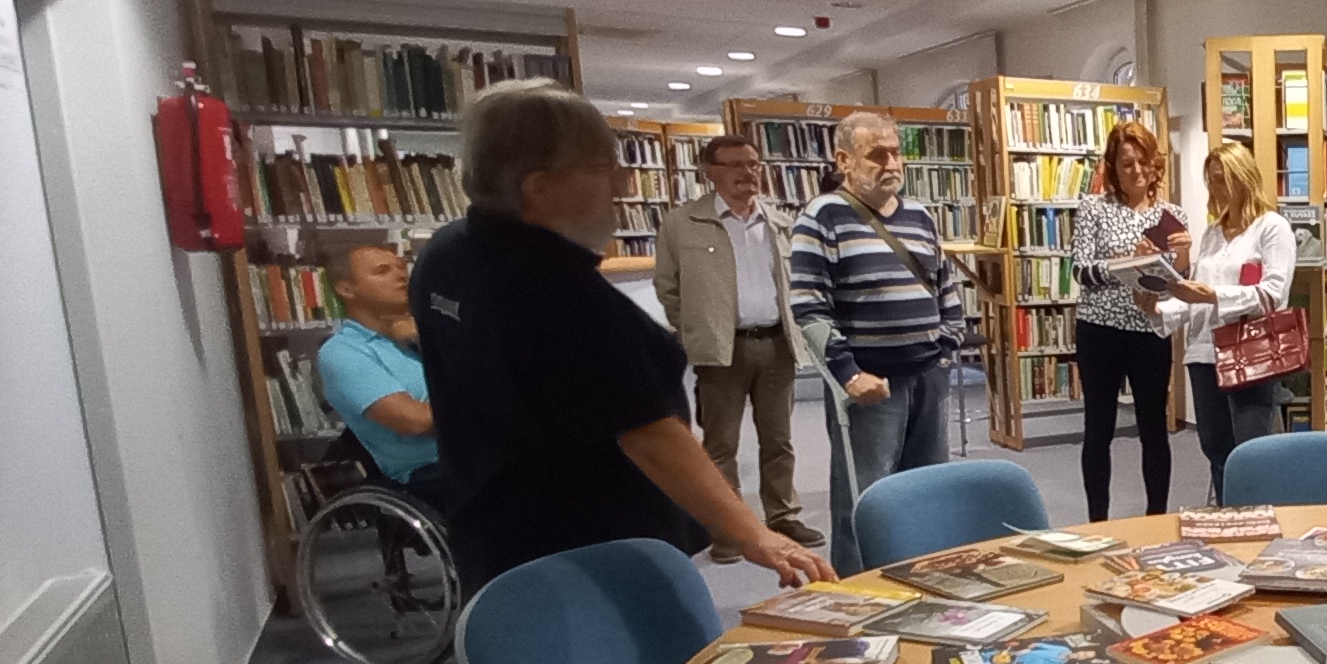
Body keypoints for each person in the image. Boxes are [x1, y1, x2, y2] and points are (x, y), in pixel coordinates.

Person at [408, 79, 832, 591]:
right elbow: (649, 433)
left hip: (492, 531)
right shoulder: (559, 294)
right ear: (538, 186)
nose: (623, 183)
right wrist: (753, 534)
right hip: (590, 549)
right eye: (602, 167)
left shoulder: (445, 254)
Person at [791, 111, 974, 570]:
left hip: (928, 375)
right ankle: (860, 593)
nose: (891, 163)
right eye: (877, 154)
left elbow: (945, 287)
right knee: (865, 500)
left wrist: (946, 349)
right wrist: (848, 374)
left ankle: (924, 581)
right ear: (844, 160)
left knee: (928, 492)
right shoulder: (820, 217)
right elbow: (809, 306)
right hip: (870, 384)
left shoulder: (920, 215)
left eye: (896, 153)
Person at [653, 134, 825, 562]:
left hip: (776, 343)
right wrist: (695, 330)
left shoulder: (779, 221)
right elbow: (668, 287)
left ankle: (783, 515)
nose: (747, 173)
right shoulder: (682, 223)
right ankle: (727, 529)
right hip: (721, 349)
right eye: (735, 165)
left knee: (779, 440)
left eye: (753, 164)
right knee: (721, 443)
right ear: (710, 172)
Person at [1153, 142, 1297, 505]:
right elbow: (1196, 299)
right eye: (1213, 181)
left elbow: (1272, 296)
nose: (1218, 189)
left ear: (1246, 179)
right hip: (1204, 354)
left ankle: (1257, 520)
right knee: (1215, 447)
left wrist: (1212, 295)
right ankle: (1227, 518)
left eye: (1224, 180)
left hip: (1250, 351)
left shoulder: (1272, 228)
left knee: (1250, 451)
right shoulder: (1212, 233)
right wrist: (1157, 308)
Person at [1069, 118, 1187, 521]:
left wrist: (1180, 260)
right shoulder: (1094, 209)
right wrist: (1124, 264)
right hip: (1099, 331)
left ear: (1155, 164)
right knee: (1098, 430)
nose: (1137, 171)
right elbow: (1081, 270)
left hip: (1149, 331)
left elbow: (1180, 284)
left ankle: (1156, 519)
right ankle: (1096, 522)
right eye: (1126, 164)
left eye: (1143, 162)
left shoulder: (1173, 215)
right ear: (1113, 168)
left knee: (1154, 430)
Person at [312, 242, 452, 511]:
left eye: (401, 268)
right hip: (432, 472)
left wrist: (427, 338)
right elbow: (414, 422)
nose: (401, 275)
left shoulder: (425, 333)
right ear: (346, 289)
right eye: (382, 271)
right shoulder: (343, 352)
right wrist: (488, 408)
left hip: (482, 453)